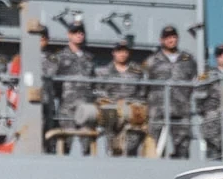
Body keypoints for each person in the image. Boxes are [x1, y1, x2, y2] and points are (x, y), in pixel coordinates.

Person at [143, 24, 199, 157]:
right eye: (167, 38)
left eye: (173, 37)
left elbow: (195, 82)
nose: (171, 40)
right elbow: (144, 86)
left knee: (183, 149)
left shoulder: (188, 60)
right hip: (158, 111)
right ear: (161, 40)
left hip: (181, 111)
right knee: (156, 150)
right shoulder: (151, 61)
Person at [45, 21, 95, 154]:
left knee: (87, 143)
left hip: (86, 106)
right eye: (75, 32)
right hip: (67, 107)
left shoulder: (89, 58)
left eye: (81, 32)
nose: (79, 35)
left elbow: (93, 82)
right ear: (69, 35)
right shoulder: (59, 57)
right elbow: (51, 80)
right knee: (65, 142)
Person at [97, 40, 149, 157]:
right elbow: (98, 91)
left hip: (132, 113)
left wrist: (134, 104)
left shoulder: (138, 71)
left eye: (125, 51)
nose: (122, 54)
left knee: (132, 144)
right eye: (119, 51)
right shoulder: (104, 72)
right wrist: (110, 102)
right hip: (112, 113)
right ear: (114, 53)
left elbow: (143, 92)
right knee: (112, 145)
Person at [197, 44, 223, 160]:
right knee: (214, 151)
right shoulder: (208, 75)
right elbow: (199, 95)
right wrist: (205, 112)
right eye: (221, 55)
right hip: (213, 118)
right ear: (216, 57)